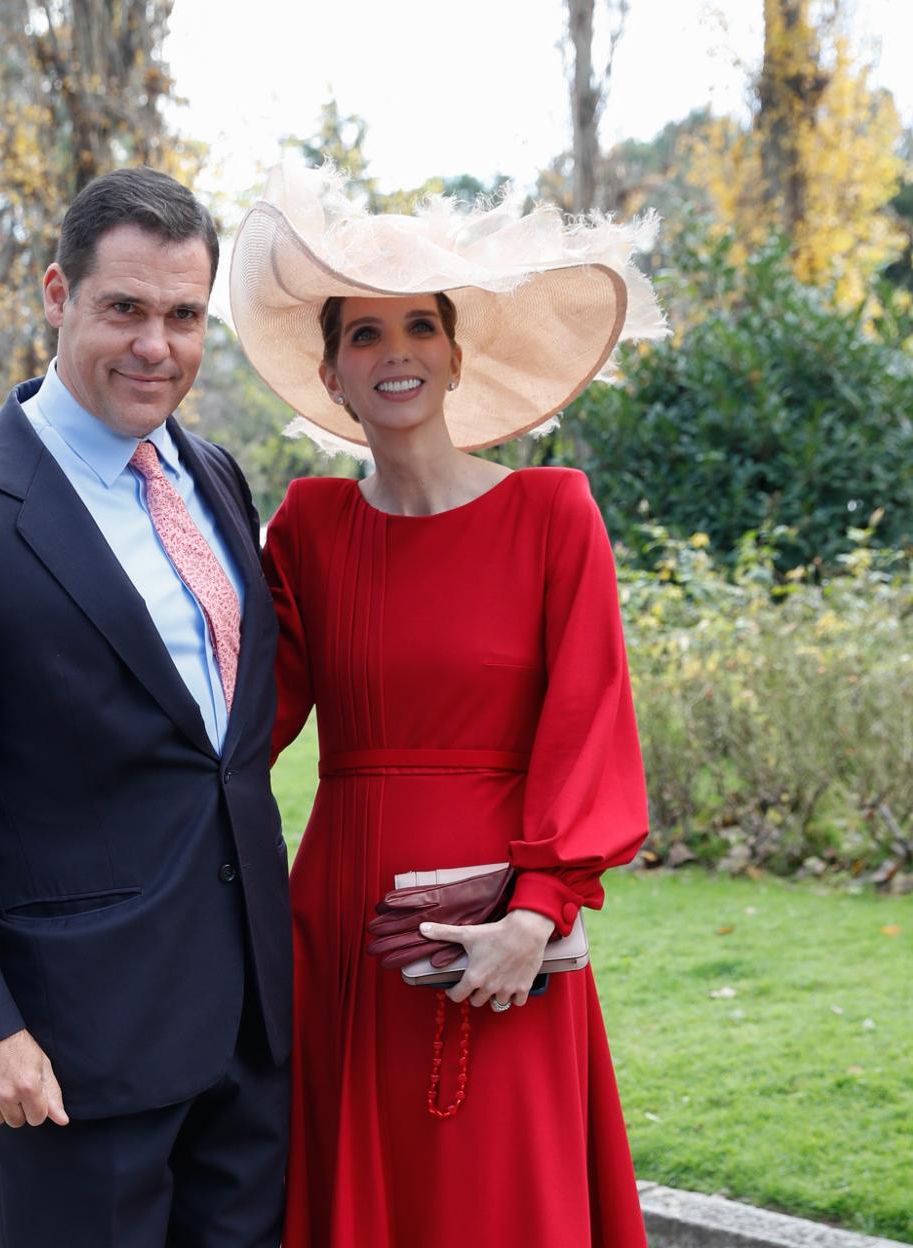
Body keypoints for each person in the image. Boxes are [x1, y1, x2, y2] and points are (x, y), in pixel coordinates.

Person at [0, 166, 291, 1248]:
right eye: (124, 309)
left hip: (250, 1025)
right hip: (72, 1047)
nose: (157, 345)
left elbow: (218, 752)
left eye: (184, 316)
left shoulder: (215, 476)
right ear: (57, 294)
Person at [228, 163, 669, 1247]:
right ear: (330, 373)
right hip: (339, 935)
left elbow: (592, 725)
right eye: (364, 336)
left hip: (505, 932)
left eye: (418, 326)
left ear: (456, 354)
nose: (396, 354)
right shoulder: (309, 530)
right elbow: (236, 721)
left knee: (496, 1195)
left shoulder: (553, 513)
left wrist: (535, 913)